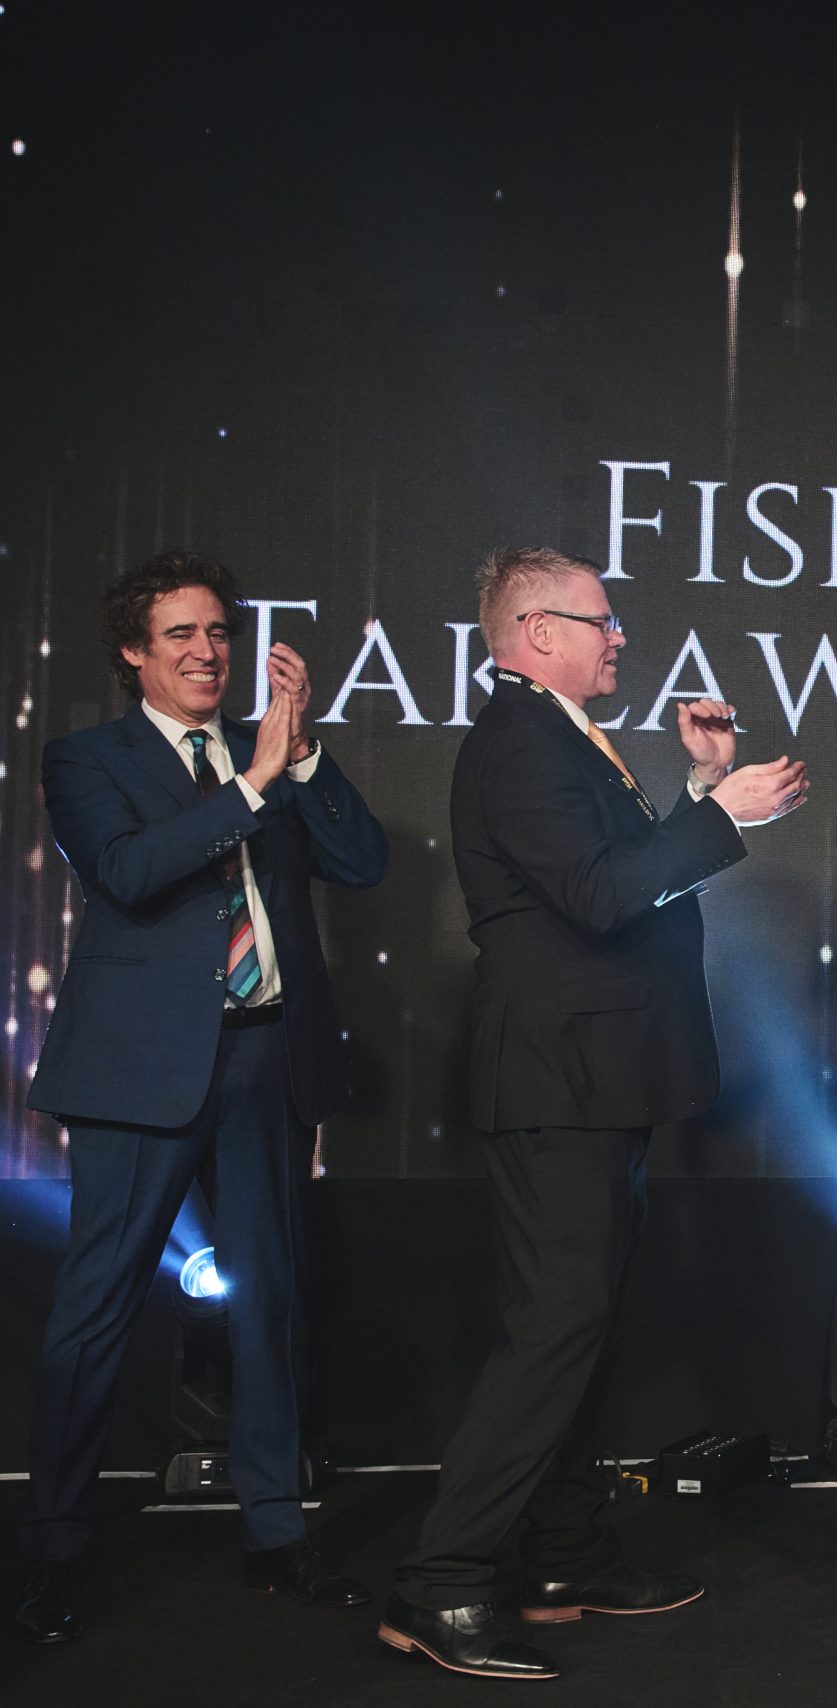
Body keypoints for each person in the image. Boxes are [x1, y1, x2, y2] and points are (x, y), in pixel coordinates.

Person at [379, 549, 806, 1679]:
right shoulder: (521, 741)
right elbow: (602, 896)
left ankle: (562, 1556)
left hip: (598, 1077)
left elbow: (618, 877)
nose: (619, 636)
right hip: (556, 1080)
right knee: (554, 1328)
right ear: (534, 632)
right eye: (600, 620)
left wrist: (697, 790)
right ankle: (441, 1583)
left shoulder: (561, 736)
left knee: (581, 1324)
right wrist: (721, 812)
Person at [13, 553, 388, 1646]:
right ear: (135, 651)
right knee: (96, 1311)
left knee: (269, 1302)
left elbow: (363, 861)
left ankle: (275, 1530)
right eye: (180, 633)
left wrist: (300, 754)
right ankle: (52, 1550)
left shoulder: (268, 753)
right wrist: (252, 785)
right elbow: (129, 872)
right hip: (139, 1071)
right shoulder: (88, 757)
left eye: (219, 631)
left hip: (265, 1059)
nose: (207, 651)